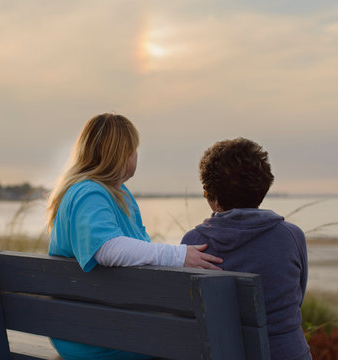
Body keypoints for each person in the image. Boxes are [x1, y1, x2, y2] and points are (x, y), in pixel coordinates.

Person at [46, 113, 223, 360]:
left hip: (97, 326)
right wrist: (179, 255)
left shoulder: (116, 194)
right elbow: (107, 248)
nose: (136, 156)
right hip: (91, 338)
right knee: (201, 335)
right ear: (120, 154)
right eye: (133, 150)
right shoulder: (89, 193)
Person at [181, 138, 311, 360]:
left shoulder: (193, 242)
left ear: (212, 196)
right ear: (263, 187)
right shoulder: (291, 237)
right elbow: (297, 297)